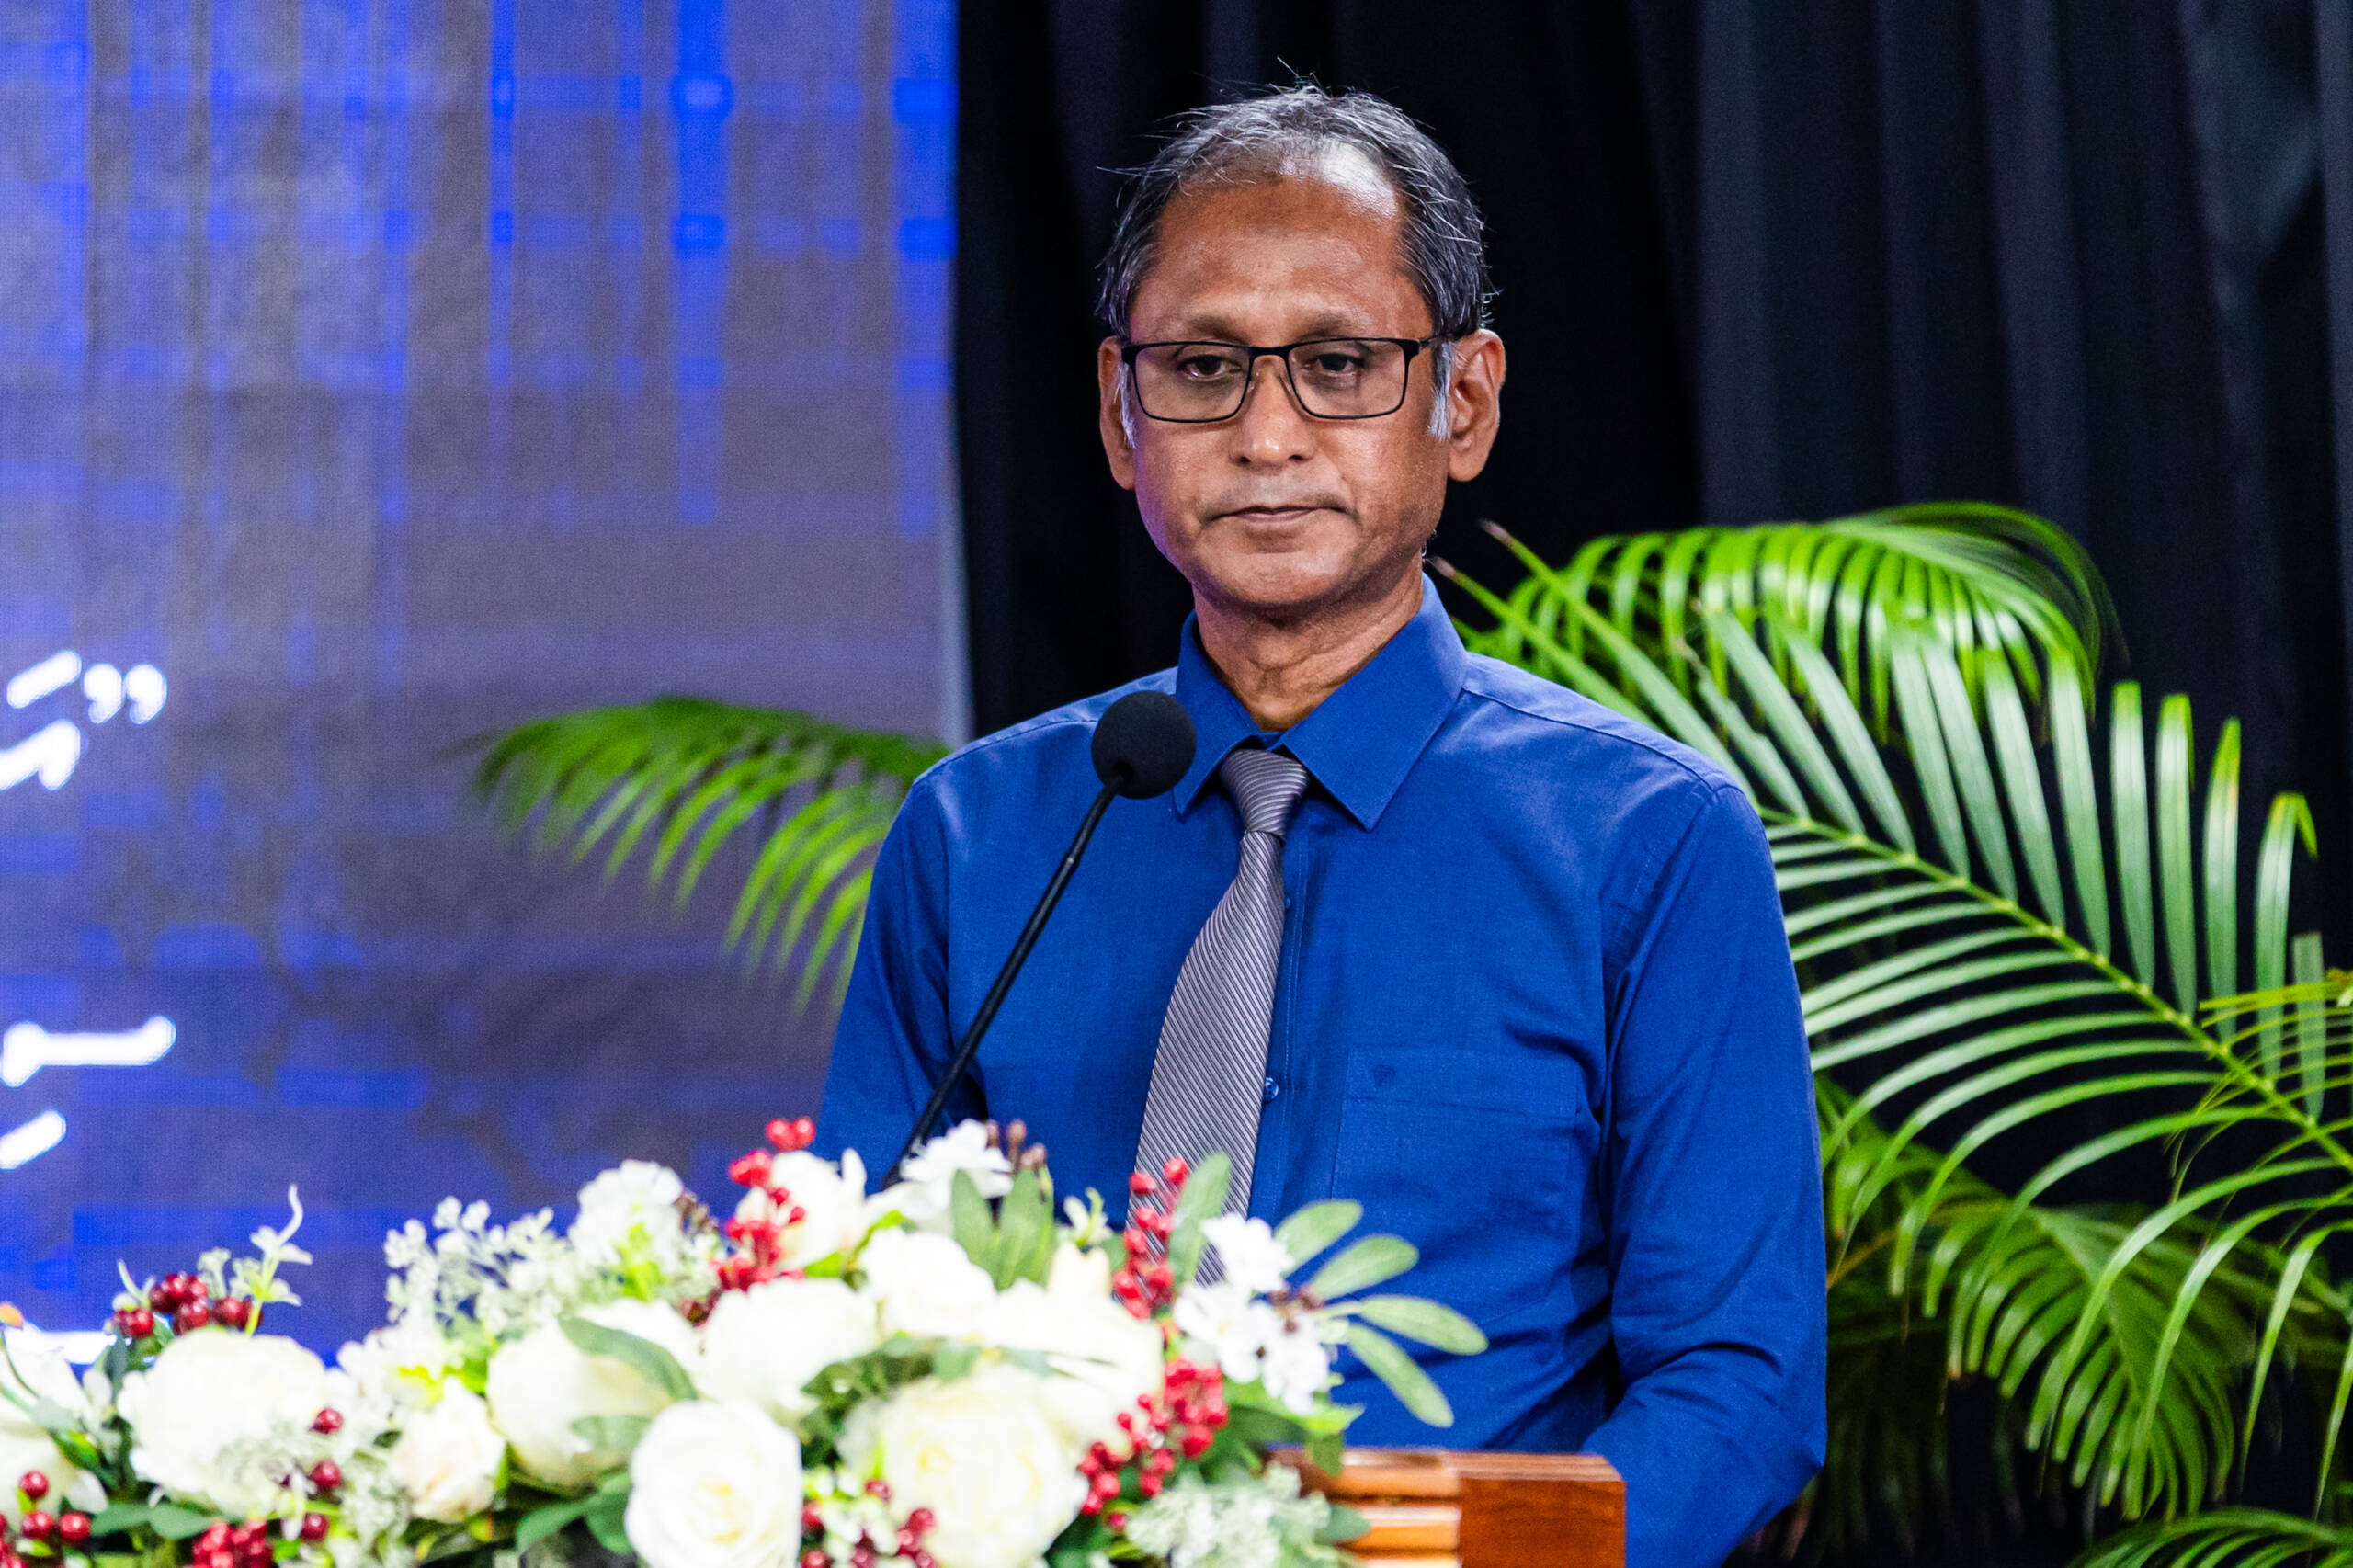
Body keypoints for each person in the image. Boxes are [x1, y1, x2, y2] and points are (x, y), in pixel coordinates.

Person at [817, 85, 1824, 1568]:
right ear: (1118, 413)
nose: (1268, 433)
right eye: (1203, 367)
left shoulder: (1651, 842)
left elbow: (1736, 1387)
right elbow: (848, 1321)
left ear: (1463, 402)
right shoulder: (977, 838)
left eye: (1339, 365)